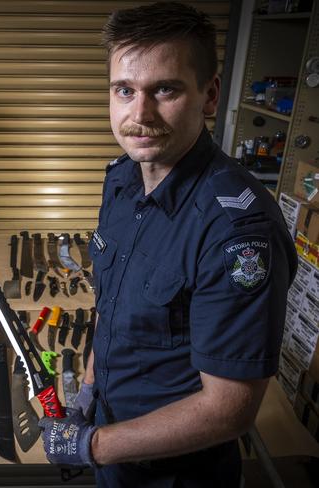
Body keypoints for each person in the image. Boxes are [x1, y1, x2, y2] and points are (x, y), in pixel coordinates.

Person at [39, 3, 297, 487]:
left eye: (165, 89)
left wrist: (90, 445)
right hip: (111, 445)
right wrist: (89, 391)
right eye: (124, 90)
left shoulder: (238, 232)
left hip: (176, 476)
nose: (140, 115)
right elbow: (110, 305)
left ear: (210, 94)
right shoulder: (120, 181)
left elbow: (228, 412)